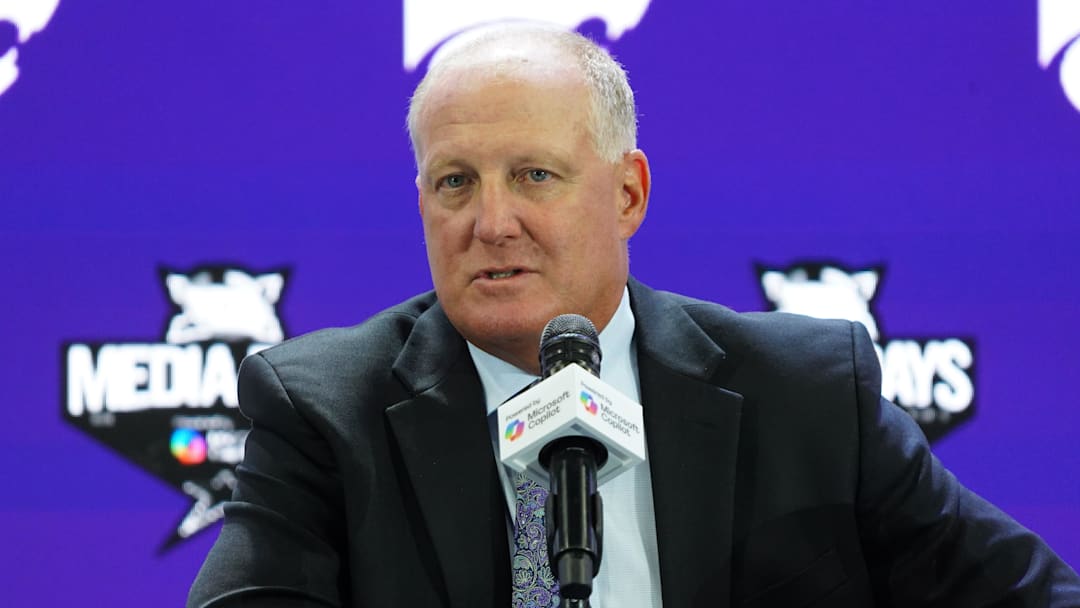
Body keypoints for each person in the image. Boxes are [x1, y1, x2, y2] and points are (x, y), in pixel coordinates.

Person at [188, 25, 1080, 607]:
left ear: (627, 194)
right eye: (455, 182)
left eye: (534, 175)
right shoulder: (320, 409)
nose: (491, 221)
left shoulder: (807, 396)